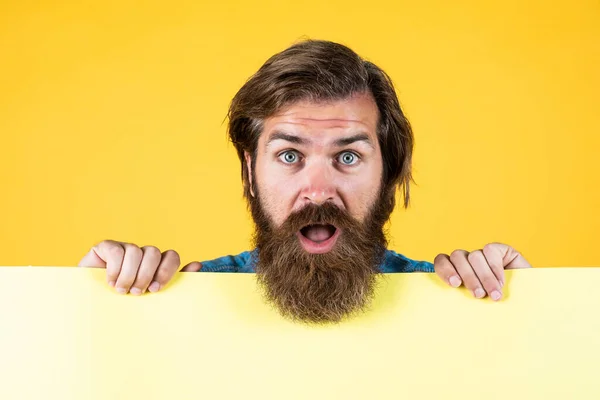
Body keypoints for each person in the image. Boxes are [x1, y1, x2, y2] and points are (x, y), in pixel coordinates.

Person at [78, 39, 531, 323]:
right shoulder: (186, 300)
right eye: (290, 155)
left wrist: (529, 310)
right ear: (250, 171)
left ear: (389, 172)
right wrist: (88, 307)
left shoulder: (450, 305)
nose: (318, 190)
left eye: (349, 156)